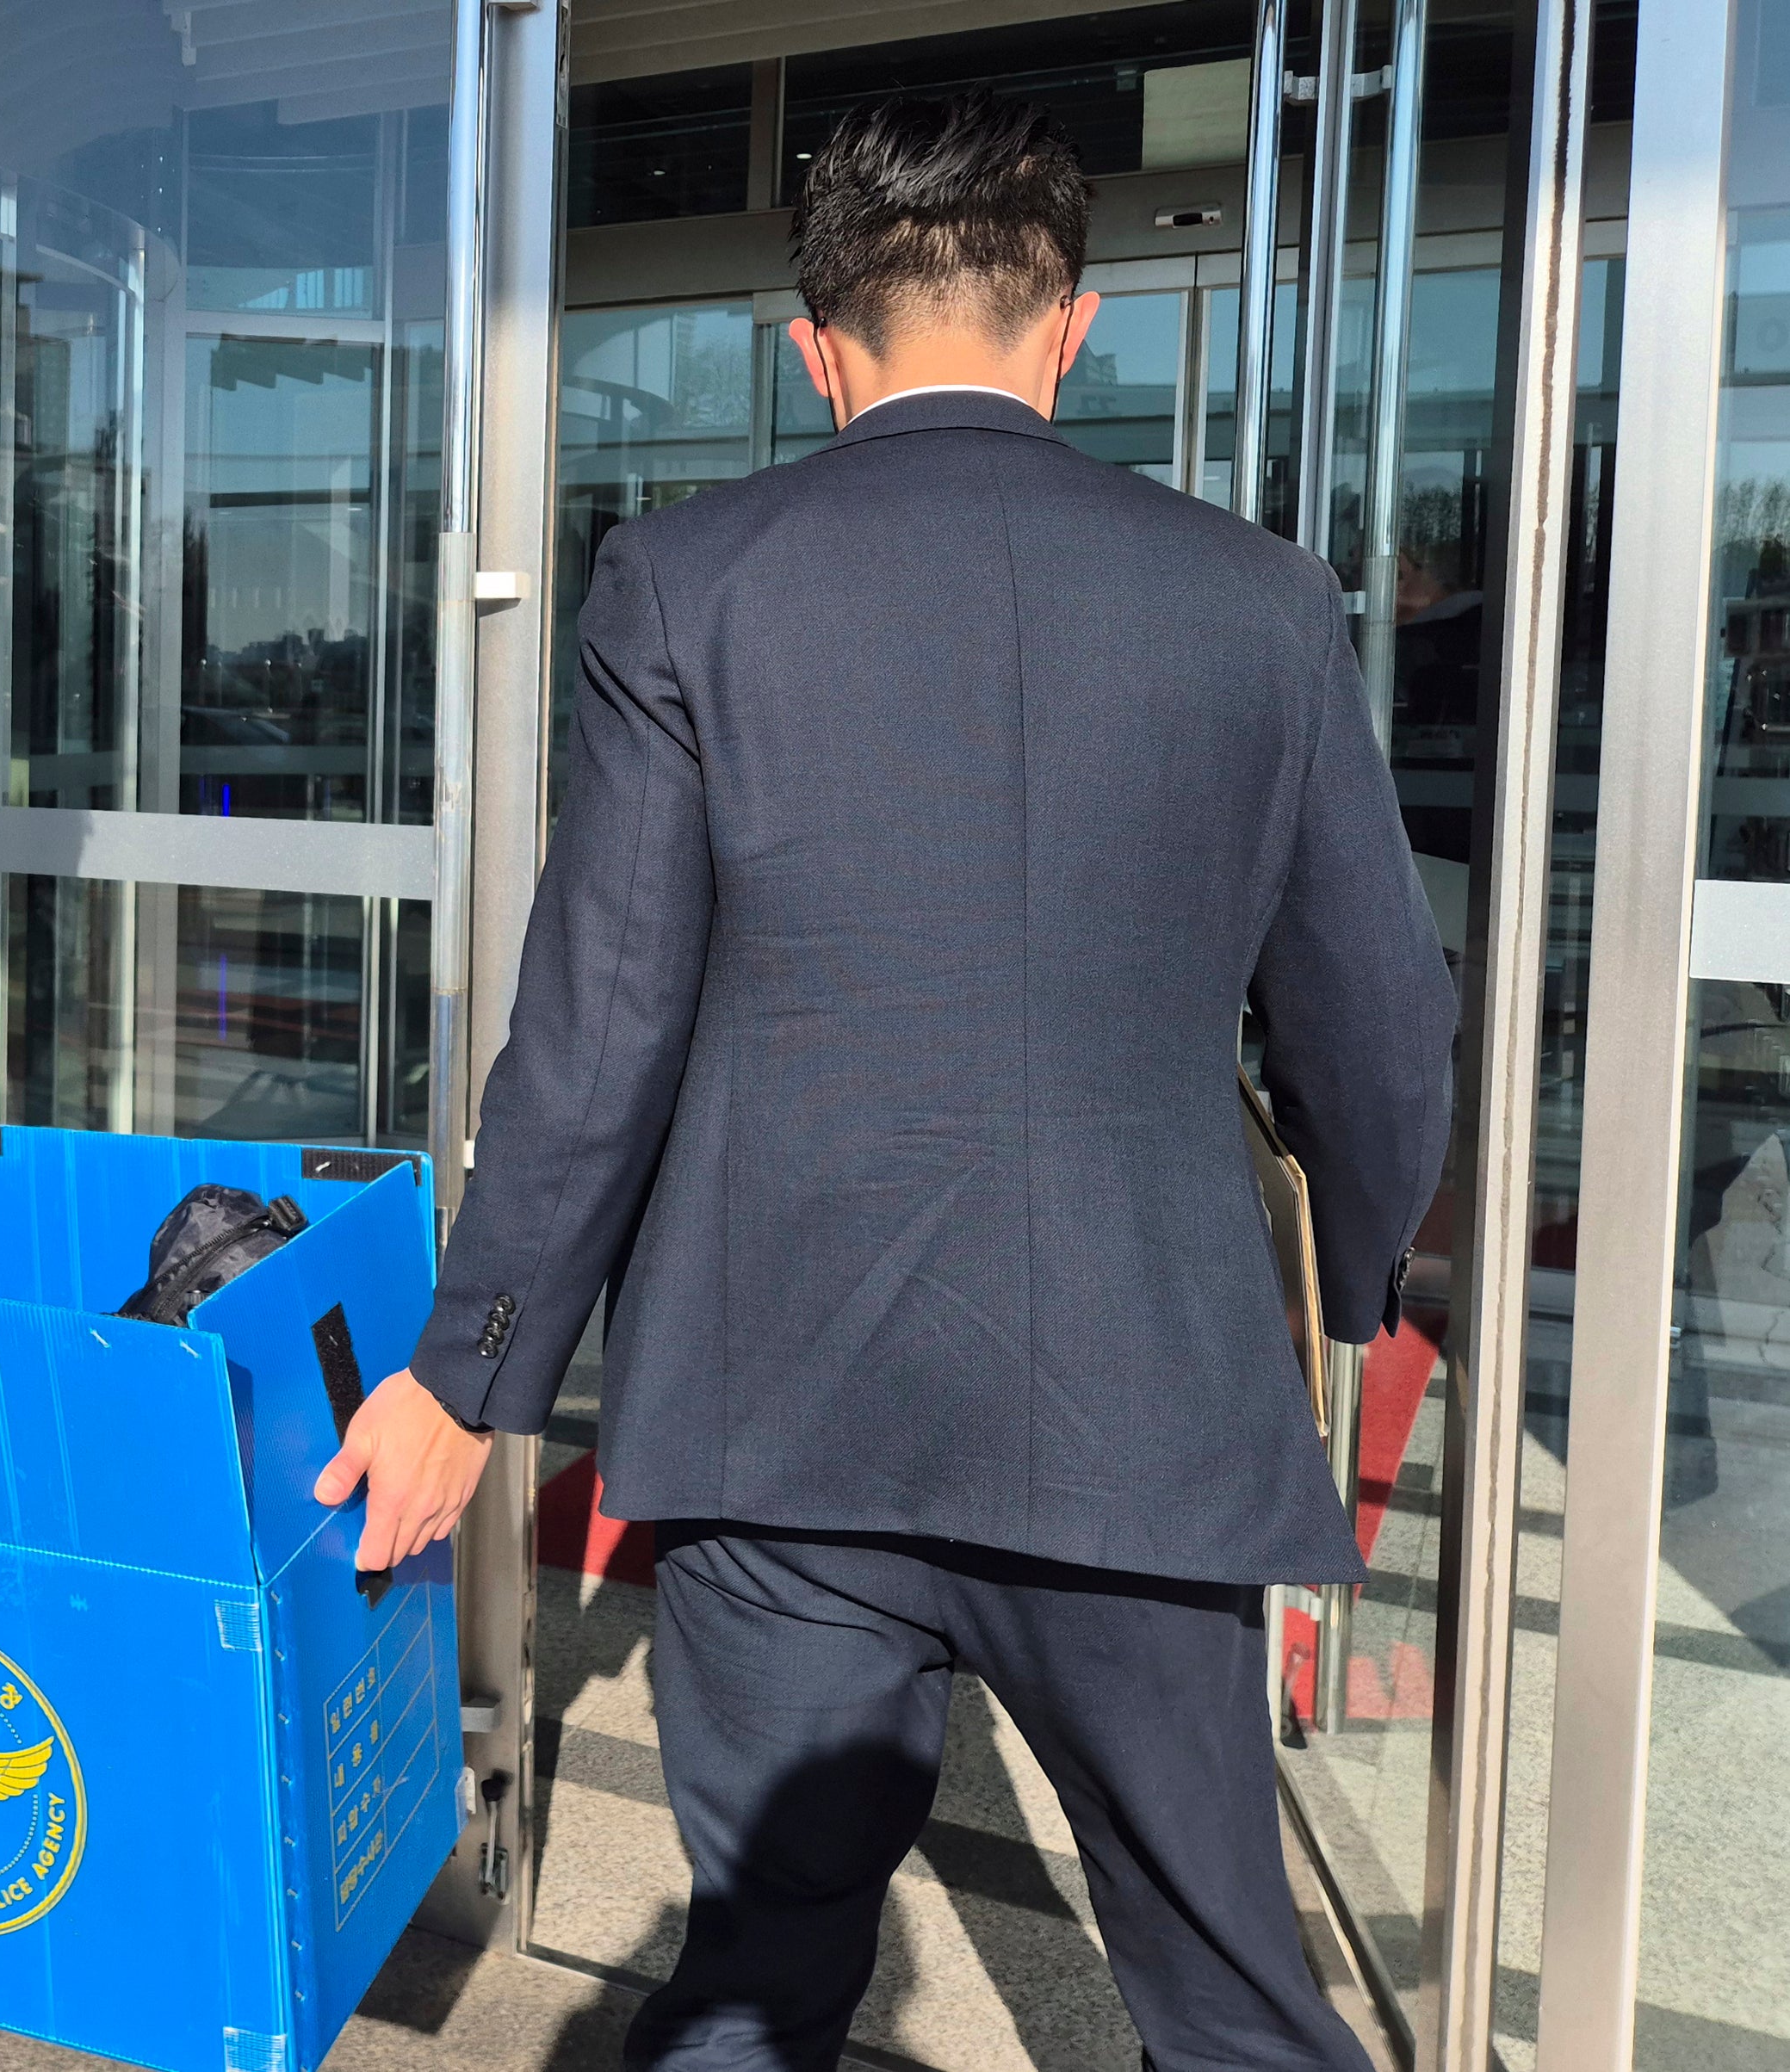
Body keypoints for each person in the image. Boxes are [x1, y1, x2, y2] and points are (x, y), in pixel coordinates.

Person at [316, 92, 1453, 2070]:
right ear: (1070, 327)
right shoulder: (1258, 601)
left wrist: (466, 1369)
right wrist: (1346, 1297)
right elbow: (1376, 1024)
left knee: (756, 1986)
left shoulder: (683, 582)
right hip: (1141, 1412)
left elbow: (594, 1028)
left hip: (782, 1416)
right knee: (1228, 1997)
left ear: (812, 348)